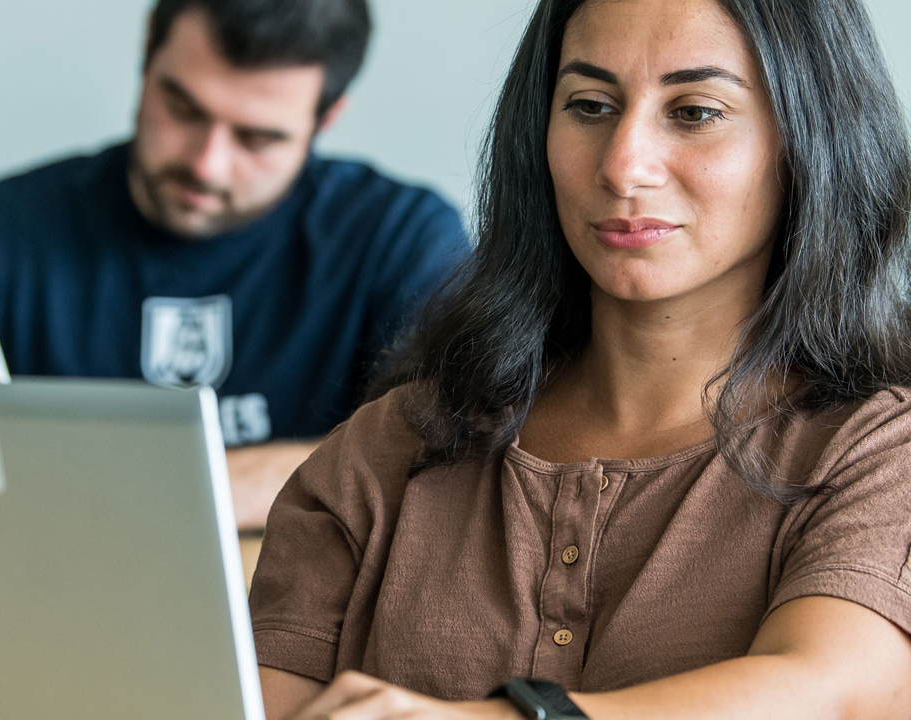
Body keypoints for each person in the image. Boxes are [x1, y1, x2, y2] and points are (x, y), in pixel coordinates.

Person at [248, 0, 911, 716]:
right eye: (590, 105)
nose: (624, 164)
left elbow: (832, 691)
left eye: (694, 112)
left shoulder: (877, 451)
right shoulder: (385, 451)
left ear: (810, 138)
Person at [0, 0, 468, 530]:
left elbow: (444, 451)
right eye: (183, 108)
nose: (207, 164)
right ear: (149, 48)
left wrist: (135, 495)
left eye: (257, 138)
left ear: (326, 118)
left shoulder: (401, 238)